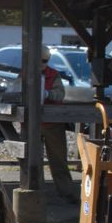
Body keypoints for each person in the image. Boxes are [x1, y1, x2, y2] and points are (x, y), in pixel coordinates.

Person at [41, 46, 79, 203]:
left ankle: (67, 193)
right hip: (32, 124)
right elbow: (16, 91)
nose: (43, 63)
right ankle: (36, 191)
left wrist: (48, 94)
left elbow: (60, 94)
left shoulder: (53, 74)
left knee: (59, 161)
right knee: (31, 161)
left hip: (52, 123)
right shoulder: (25, 74)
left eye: (45, 61)